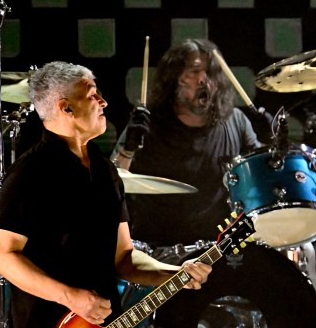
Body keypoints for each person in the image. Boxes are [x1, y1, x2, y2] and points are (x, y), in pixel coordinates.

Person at [0, 61, 213, 328]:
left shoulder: (107, 171)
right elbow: (3, 256)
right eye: (92, 94)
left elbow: (125, 258)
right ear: (65, 108)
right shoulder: (31, 172)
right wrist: (70, 296)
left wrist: (175, 273)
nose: (104, 100)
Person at [112, 38, 265, 249]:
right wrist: (128, 149)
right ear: (174, 79)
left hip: (221, 249)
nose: (204, 79)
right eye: (194, 71)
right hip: (161, 251)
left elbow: (263, 180)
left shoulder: (235, 121)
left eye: (210, 72)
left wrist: (271, 146)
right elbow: (110, 184)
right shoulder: (148, 125)